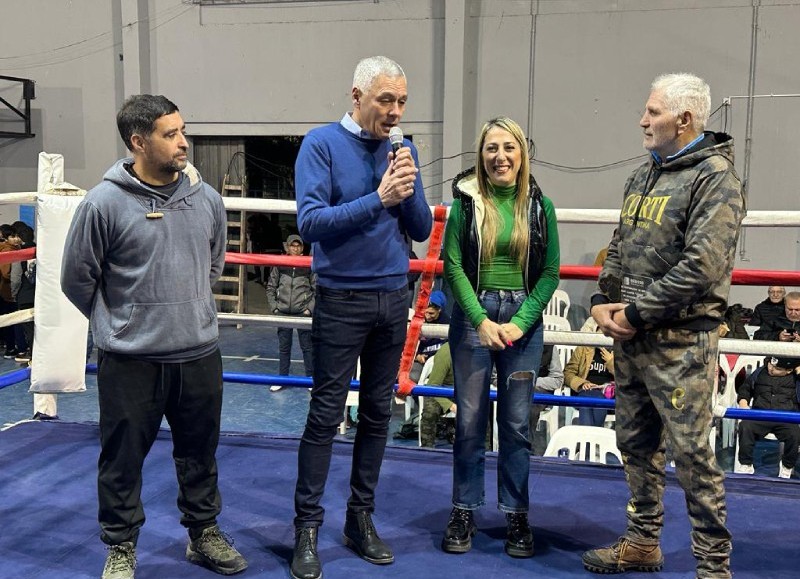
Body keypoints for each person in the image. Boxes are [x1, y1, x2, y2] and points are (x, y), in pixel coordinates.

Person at [60, 94, 247, 579]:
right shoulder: (103, 204)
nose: (183, 142)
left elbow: (213, 263)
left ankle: (203, 533)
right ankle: (121, 545)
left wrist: (188, 313)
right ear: (138, 142)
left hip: (199, 353)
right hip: (131, 362)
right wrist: (118, 325)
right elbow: (77, 279)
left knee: (200, 453)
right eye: (170, 134)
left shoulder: (205, 199)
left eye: (183, 130)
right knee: (121, 459)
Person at [585, 73, 744, 578]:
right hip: (633, 339)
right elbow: (621, 245)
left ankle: (713, 567)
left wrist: (632, 313)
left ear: (685, 119)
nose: (642, 120)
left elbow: (702, 266)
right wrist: (601, 301)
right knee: (634, 444)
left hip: (682, 343)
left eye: (652, 112)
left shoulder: (715, 177)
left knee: (694, 457)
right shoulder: (643, 175)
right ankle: (642, 542)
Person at [290, 56, 432, 579]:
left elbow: (417, 228)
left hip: (392, 297)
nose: (395, 112)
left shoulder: (404, 148)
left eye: (402, 102)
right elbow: (311, 223)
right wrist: (377, 198)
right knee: (325, 416)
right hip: (341, 298)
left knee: (377, 414)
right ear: (356, 96)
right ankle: (306, 529)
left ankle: (360, 520)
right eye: (385, 101)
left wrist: (407, 184)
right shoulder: (321, 144)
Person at [441, 116, 559, 558]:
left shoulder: (540, 206)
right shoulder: (466, 206)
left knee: (515, 425)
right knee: (468, 423)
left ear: (521, 154)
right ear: (481, 156)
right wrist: (480, 320)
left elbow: (549, 273)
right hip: (475, 318)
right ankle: (463, 509)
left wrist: (520, 321)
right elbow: (452, 267)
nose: (500, 156)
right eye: (491, 148)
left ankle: (516, 513)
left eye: (508, 147)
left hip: (521, 321)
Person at [734, 356, 800, 479]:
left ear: (789, 370)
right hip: (760, 415)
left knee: (795, 434)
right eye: (770, 364)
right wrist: (743, 403)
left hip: (786, 418)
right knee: (745, 426)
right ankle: (746, 464)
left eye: (777, 368)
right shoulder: (759, 372)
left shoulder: (796, 378)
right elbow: (745, 389)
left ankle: (787, 466)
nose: (771, 368)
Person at [266, 233, 315, 392]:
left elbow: (317, 289)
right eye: (293, 245)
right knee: (284, 347)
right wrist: (275, 307)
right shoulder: (280, 263)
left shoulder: (308, 264)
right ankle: (282, 378)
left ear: (302, 247)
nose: (296, 248)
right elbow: (271, 287)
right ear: (287, 247)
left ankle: (309, 379)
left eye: (298, 245)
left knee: (307, 347)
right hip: (283, 312)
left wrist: (310, 309)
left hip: (303, 312)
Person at [564, 328, 615, 427]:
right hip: (586, 390)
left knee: (592, 400)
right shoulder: (584, 348)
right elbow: (568, 373)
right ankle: (595, 438)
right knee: (589, 398)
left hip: (608, 395)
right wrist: (583, 383)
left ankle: (586, 439)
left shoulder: (619, 351)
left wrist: (611, 363)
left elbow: (627, 380)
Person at [527, 344, 566, 456]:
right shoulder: (511, 341)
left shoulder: (549, 346)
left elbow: (557, 379)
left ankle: (527, 451)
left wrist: (532, 382)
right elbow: (495, 377)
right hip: (514, 387)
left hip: (540, 389)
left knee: (530, 404)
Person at [10, 222, 36, 363]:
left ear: (19, 237)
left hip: (25, 296)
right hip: (43, 295)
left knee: (29, 330)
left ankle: (34, 358)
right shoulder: (43, 251)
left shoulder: (19, 254)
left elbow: (15, 278)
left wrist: (14, 295)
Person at [409, 289, 450, 382]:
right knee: (413, 377)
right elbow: (408, 344)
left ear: (439, 310)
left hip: (439, 361)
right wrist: (417, 356)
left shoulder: (447, 323)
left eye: (431, 313)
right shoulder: (417, 319)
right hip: (420, 360)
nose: (427, 316)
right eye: (425, 312)